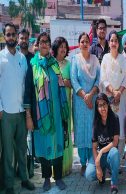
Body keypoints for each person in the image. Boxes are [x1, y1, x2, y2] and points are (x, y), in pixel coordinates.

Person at [0, 23, 35, 194]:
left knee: (21, 150)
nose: (12, 37)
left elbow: (26, 86)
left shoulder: (22, 59)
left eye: (14, 34)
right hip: (6, 113)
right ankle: (8, 184)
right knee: (8, 152)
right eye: (9, 34)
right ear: (4, 36)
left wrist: (28, 111)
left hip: (21, 112)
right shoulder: (1, 58)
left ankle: (24, 179)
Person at [31, 32, 68, 191]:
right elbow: (30, 91)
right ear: (38, 45)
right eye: (42, 42)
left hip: (57, 113)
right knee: (44, 144)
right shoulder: (33, 65)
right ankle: (47, 178)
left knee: (58, 143)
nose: (44, 44)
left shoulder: (54, 64)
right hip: (42, 114)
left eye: (47, 42)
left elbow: (60, 88)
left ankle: (58, 177)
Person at [71, 32, 101, 176]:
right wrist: (85, 96)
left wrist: (91, 95)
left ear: (90, 44)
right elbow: (74, 80)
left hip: (93, 100)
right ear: (79, 43)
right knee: (81, 130)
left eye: (86, 41)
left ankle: (92, 158)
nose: (84, 44)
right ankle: (83, 162)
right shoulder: (75, 59)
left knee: (92, 129)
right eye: (82, 41)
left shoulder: (95, 59)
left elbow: (98, 79)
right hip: (80, 101)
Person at [100, 30, 126, 160]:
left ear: (119, 43)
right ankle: (110, 158)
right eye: (111, 40)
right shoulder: (105, 58)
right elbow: (103, 78)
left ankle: (120, 155)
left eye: (116, 41)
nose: (113, 43)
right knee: (109, 126)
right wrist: (113, 92)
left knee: (121, 126)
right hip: (109, 97)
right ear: (108, 42)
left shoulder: (123, 59)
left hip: (121, 98)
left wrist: (119, 92)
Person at [85, 94, 120, 194]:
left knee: (114, 152)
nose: (102, 108)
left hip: (110, 154)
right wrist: (98, 166)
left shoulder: (115, 118)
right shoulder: (96, 123)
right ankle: (102, 173)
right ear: (97, 108)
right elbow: (94, 147)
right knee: (89, 175)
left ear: (108, 104)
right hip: (100, 157)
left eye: (104, 104)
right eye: (99, 106)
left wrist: (101, 152)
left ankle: (114, 183)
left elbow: (115, 142)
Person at [52, 37, 73, 177]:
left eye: (65, 46)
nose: (63, 49)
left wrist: (64, 82)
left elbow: (73, 83)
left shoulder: (69, 64)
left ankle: (66, 166)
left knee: (65, 134)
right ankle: (55, 168)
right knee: (55, 135)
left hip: (66, 105)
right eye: (60, 46)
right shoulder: (51, 64)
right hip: (54, 106)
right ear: (55, 48)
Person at [18, 28, 36, 178]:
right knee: (20, 140)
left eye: (26, 38)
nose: (23, 40)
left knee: (31, 138)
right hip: (15, 105)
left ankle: (30, 169)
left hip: (30, 103)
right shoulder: (15, 57)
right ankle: (20, 168)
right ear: (18, 40)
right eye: (21, 38)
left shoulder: (32, 58)